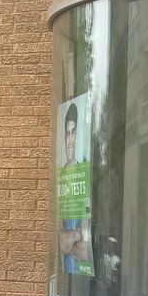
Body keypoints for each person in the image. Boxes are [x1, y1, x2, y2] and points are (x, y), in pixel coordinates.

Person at [58, 101, 92, 272]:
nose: (70, 140)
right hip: (67, 278)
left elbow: (85, 252)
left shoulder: (82, 179)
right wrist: (77, 236)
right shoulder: (61, 178)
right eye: (67, 134)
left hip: (78, 277)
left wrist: (67, 240)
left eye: (73, 133)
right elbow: (60, 244)